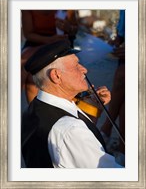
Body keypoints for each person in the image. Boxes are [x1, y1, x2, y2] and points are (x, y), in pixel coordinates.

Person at [21, 39, 123, 168]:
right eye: (76, 66)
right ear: (56, 76)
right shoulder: (71, 131)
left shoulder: (34, 108)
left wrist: (94, 108)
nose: (84, 70)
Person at [21, 10, 78, 103]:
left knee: (30, 75)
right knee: (26, 69)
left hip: (60, 43)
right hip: (36, 43)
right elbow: (28, 34)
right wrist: (50, 40)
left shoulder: (66, 7)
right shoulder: (28, 6)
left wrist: (69, 28)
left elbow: (75, 30)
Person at [100, 10, 125, 155]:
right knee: (125, 101)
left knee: (122, 77)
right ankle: (123, 151)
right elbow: (123, 30)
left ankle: (106, 128)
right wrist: (118, 40)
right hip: (125, 53)